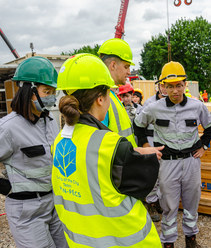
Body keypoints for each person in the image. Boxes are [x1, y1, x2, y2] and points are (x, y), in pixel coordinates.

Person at [52, 53, 163, 247]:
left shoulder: (59, 141)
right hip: (126, 240)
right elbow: (139, 186)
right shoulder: (110, 145)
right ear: (100, 100)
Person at [0, 56, 68, 248]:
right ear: (28, 92)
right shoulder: (7, 128)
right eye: (47, 91)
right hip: (27, 211)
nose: (51, 96)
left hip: (55, 204)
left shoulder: (50, 123)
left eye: (53, 91)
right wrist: (7, 188)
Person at [134, 61, 211, 248]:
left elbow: (210, 126)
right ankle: (168, 242)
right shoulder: (154, 108)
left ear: (185, 85)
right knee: (169, 205)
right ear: (163, 86)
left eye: (179, 86)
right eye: (170, 87)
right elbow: (138, 125)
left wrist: (204, 145)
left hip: (191, 161)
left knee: (191, 202)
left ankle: (191, 239)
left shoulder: (197, 106)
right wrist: (147, 146)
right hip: (168, 163)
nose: (175, 91)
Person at [97, 38, 137, 146]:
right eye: (126, 66)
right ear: (113, 65)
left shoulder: (111, 95)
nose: (129, 72)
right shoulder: (101, 99)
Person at [140, 78, 168, 223]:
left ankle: (158, 200)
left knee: (164, 174)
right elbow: (140, 125)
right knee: (152, 173)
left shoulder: (173, 102)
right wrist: (145, 145)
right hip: (152, 141)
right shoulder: (150, 103)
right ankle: (150, 202)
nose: (164, 89)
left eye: (167, 86)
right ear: (158, 86)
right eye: (162, 85)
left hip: (166, 142)